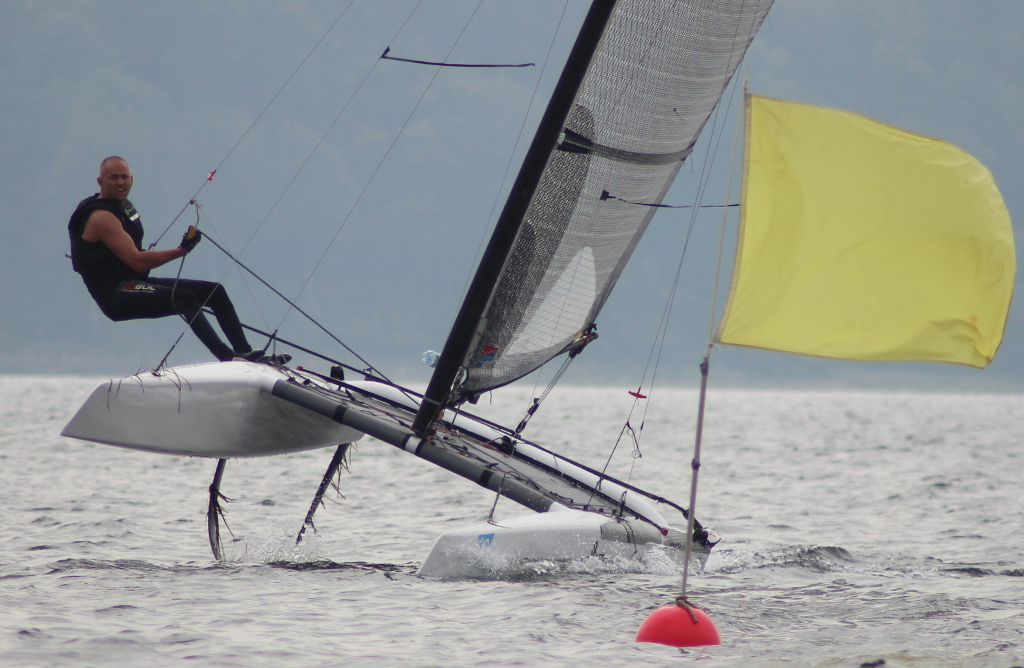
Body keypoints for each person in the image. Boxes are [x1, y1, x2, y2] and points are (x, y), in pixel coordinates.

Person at [68, 156, 286, 364]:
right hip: (116, 295)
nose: (120, 182)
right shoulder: (101, 217)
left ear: (132, 179)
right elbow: (137, 262)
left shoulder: (122, 206)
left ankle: (245, 353)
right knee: (184, 299)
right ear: (100, 182)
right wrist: (182, 250)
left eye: (124, 177)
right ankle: (227, 356)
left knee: (215, 292)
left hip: (134, 283)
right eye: (113, 177)